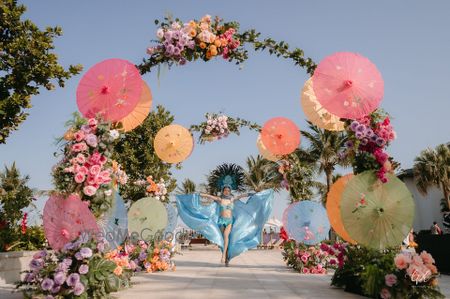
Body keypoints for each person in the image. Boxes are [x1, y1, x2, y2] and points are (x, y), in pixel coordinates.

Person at [200, 185, 251, 266]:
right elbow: (210, 196)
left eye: (228, 190)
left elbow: (241, 196)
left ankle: (223, 256)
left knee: (225, 235)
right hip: (221, 221)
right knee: (223, 240)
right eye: (225, 190)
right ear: (223, 191)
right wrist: (201, 194)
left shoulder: (232, 199)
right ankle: (226, 256)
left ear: (230, 191)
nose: (227, 191)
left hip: (229, 221)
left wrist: (250, 194)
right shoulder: (220, 199)